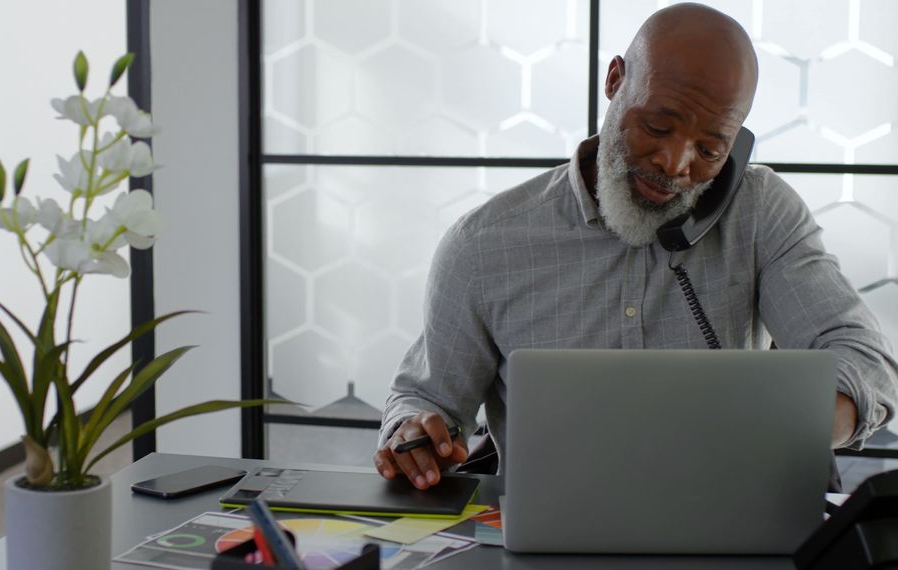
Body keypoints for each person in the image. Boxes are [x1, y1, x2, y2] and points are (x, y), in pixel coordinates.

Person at [374, 3, 898, 490]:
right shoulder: (482, 245)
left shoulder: (760, 212)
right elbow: (425, 398)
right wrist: (414, 434)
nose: (675, 164)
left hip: (730, 527)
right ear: (615, 79)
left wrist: (783, 426)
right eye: (657, 125)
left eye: (710, 149)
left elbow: (867, 364)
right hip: (549, 535)